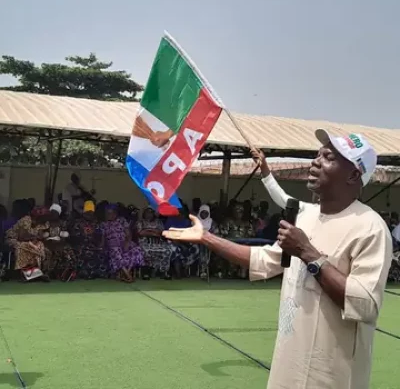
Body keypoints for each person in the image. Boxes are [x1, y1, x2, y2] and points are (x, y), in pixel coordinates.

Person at [163, 130, 392, 389]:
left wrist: (309, 254)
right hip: (289, 368)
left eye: (328, 157)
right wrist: (206, 238)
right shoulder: (305, 217)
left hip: (332, 376)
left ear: (353, 175)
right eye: (318, 154)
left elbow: (364, 305)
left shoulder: (370, 228)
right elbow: (262, 259)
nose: (315, 162)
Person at [101, 204, 144, 283]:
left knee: (136, 249)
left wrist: (127, 243)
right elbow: (103, 239)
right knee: (115, 251)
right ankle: (128, 275)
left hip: (124, 242)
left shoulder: (122, 220)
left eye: (111, 213)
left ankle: (126, 272)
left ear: (115, 213)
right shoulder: (103, 224)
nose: (109, 215)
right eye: (108, 213)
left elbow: (128, 234)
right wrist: (101, 247)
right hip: (111, 246)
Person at [6, 206, 50, 280]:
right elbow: (22, 237)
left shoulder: (42, 225)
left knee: (42, 248)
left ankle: (37, 273)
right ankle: (27, 274)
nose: (45, 219)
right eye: (43, 217)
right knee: (24, 246)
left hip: (30, 242)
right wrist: (34, 240)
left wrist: (38, 239)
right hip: (14, 239)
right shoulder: (26, 220)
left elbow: (40, 237)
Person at [69, 201, 108, 280]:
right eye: (87, 212)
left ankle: (96, 273)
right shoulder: (78, 222)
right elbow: (73, 237)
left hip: (94, 245)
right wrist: (83, 234)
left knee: (100, 254)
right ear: (84, 212)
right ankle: (84, 273)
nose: (89, 214)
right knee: (83, 253)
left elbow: (100, 237)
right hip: (81, 245)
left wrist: (93, 235)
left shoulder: (97, 223)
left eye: (91, 212)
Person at [137, 207, 173, 280]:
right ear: (144, 213)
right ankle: (146, 272)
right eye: (147, 212)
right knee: (146, 250)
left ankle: (163, 272)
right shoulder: (140, 222)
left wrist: (148, 230)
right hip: (145, 242)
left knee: (167, 250)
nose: (149, 214)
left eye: (151, 212)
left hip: (158, 242)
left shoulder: (158, 222)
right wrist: (154, 231)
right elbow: (141, 233)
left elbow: (161, 233)